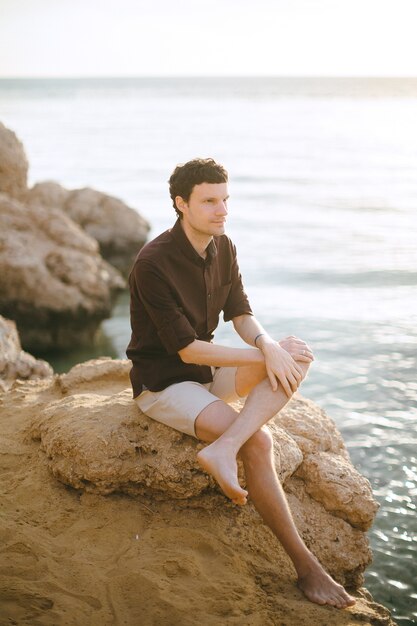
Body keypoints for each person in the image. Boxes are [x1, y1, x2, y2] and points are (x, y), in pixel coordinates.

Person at [126, 158, 355, 609]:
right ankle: (307, 569)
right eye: (209, 201)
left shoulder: (223, 246)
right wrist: (261, 354)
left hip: (208, 375)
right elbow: (188, 350)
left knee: (296, 353)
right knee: (261, 445)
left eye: (225, 199)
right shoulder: (152, 263)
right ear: (181, 204)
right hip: (165, 385)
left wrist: (268, 344)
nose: (222, 210)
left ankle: (223, 446)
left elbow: (241, 314)